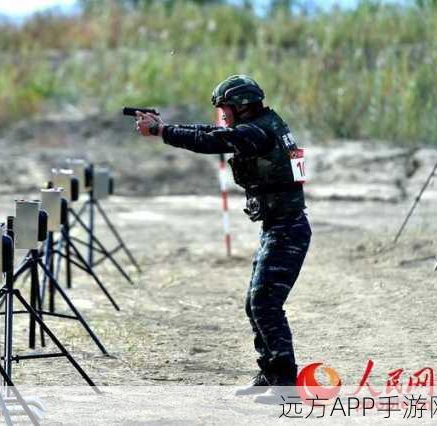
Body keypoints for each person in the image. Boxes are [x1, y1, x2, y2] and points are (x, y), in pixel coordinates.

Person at [133, 75, 311, 404]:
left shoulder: (256, 132)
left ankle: (287, 385)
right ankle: (271, 370)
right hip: (279, 226)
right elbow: (214, 133)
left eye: (225, 108)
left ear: (241, 107)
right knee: (254, 303)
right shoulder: (260, 124)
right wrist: (165, 126)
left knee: (265, 304)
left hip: (288, 228)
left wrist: (161, 132)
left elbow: (212, 142)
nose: (222, 115)